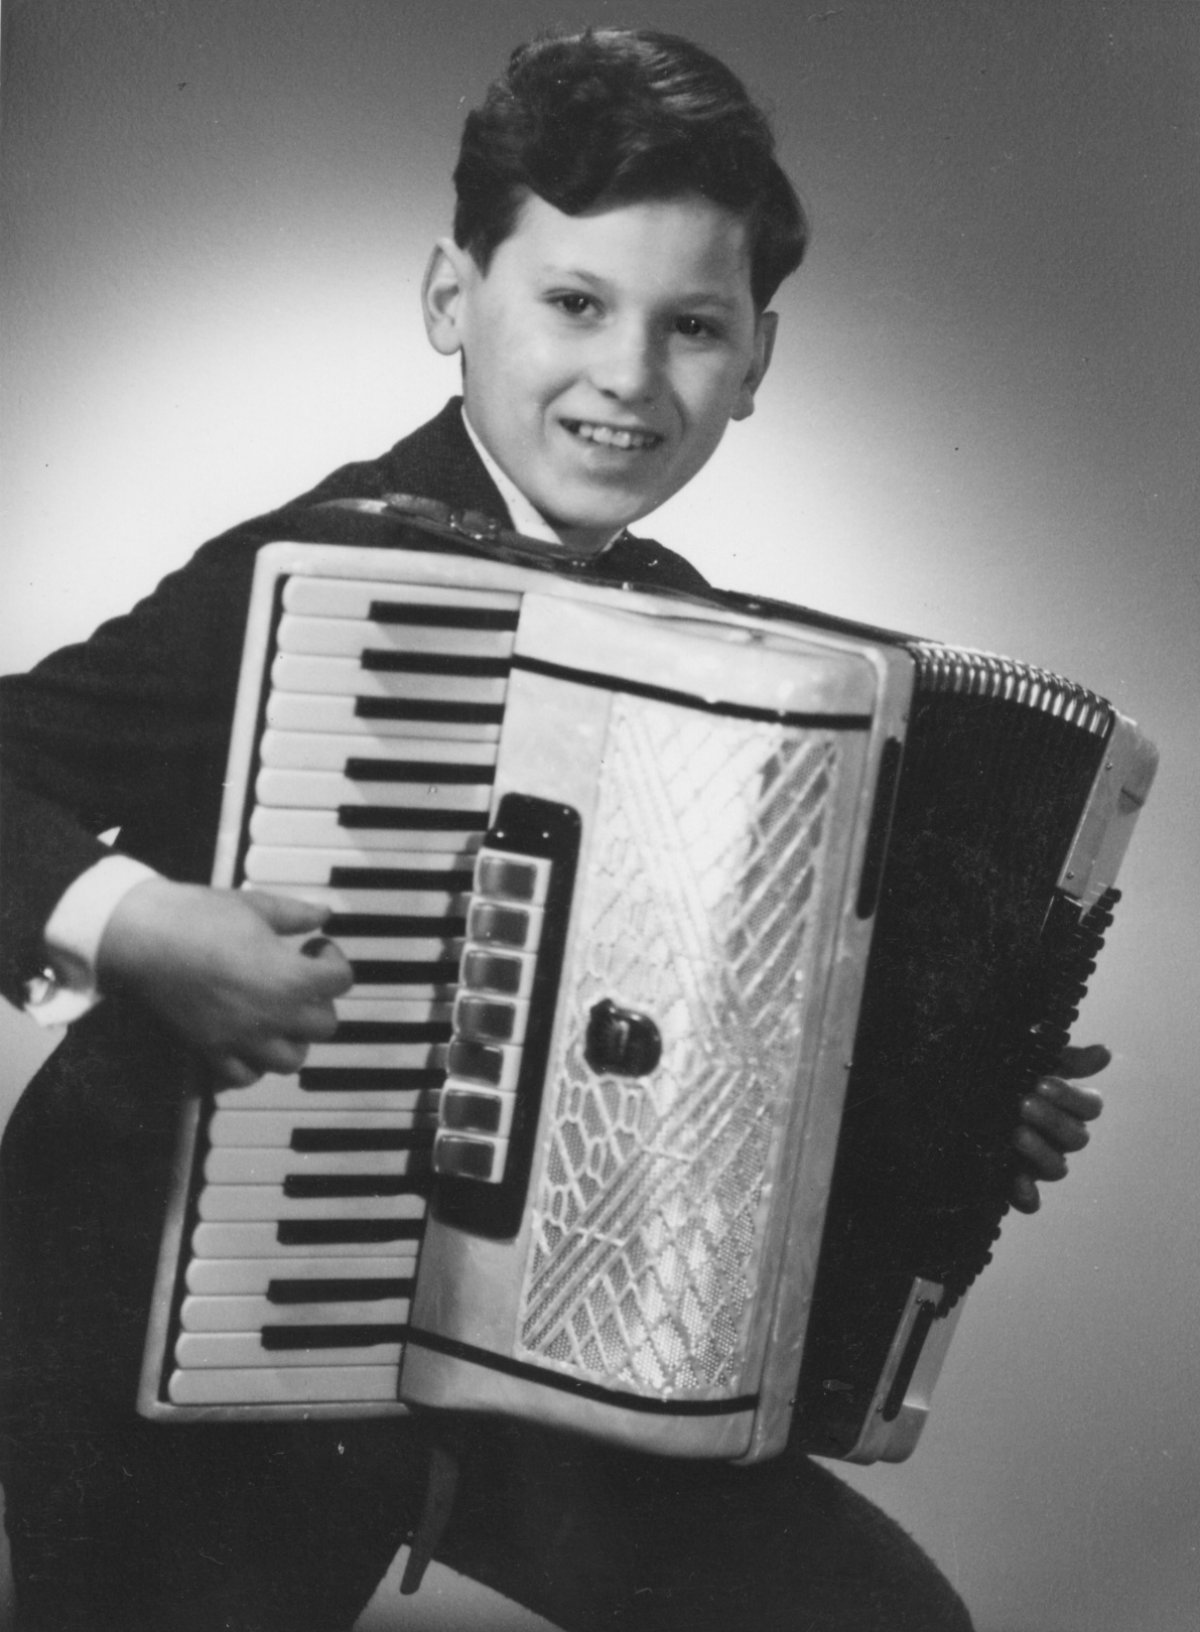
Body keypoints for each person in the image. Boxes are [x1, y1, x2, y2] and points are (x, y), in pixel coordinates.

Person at [0, 27, 1107, 1632]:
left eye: (693, 328)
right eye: (575, 303)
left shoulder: (712, 663)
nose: (629, 378)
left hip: (513, 1355)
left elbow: (725, 1060)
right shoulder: (316, 570)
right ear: (455, 301)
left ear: (758, 361)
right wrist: (139, 925)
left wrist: (945, 1099)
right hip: (180, 1309)